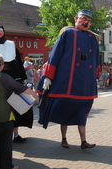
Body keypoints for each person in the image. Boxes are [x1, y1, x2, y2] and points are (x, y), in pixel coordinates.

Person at [37, 9, 101, 149]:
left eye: (88, 20)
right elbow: (55, 55)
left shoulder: (92, 38)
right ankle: (64, 139)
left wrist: (96, 75)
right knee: (64, 112)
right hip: (67, 83)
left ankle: (83, 141)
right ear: (76, 18)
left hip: (84, 85)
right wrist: (48, 76)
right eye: (83, 18)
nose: (85, 21)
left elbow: (96, 58)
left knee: (81, 113)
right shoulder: (67, 33)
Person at [0, 54, 38, 169]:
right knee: (5, 143)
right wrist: (33, 93)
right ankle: (7, 166)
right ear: (2, 65)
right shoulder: (3, 76)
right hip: (3, 114)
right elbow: (18, 86)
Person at [0, 25, 31, 142]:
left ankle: (16, 134)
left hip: (12, 79)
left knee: (15, 108)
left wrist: (21, 78)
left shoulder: (10, 44)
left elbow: (18, 62)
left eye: (1, 31)